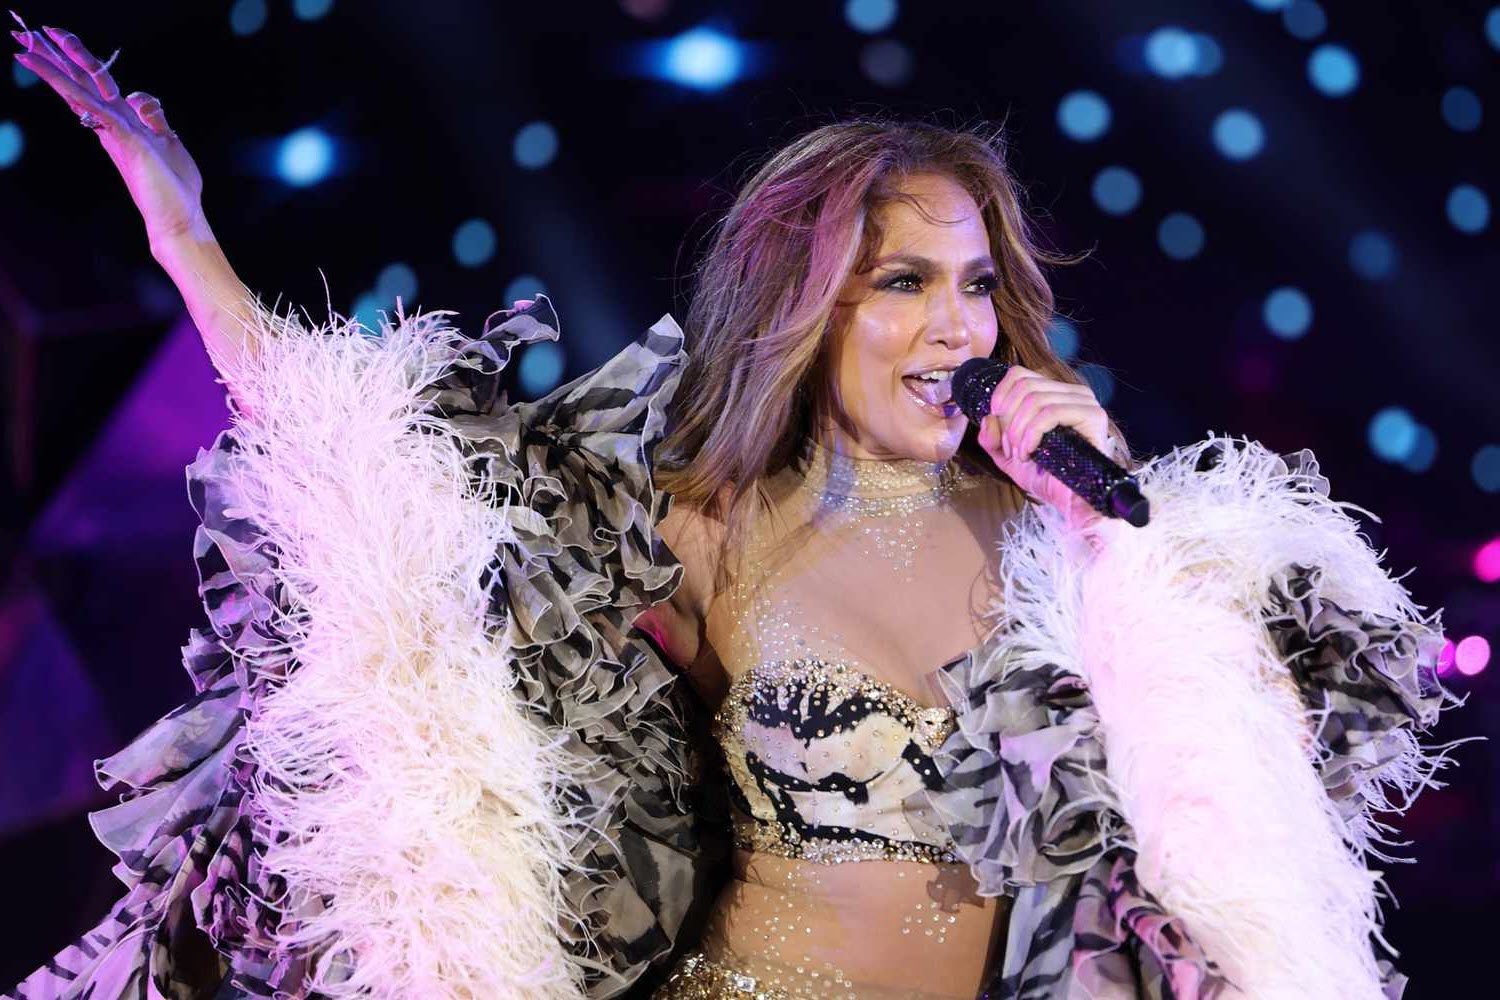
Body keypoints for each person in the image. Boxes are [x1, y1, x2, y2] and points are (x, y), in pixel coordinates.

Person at [8, 19, 1469, 1000]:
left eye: (976, 284)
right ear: (812, 305)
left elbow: (1255, 795)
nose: (957, 326)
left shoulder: (1060, 541)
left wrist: (1116, 534)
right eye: (905, 283)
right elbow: (384, 485)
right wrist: (188, 244)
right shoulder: (707, 522)